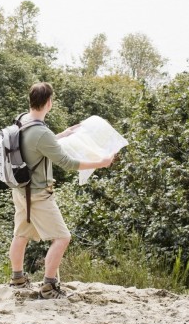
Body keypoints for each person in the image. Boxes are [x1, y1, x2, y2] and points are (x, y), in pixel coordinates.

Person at [8, 81, 116, 299]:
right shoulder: (41, 132)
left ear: (31, 100)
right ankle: (49, 286)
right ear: (49, 103)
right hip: (38, 194)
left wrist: (63, 134)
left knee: (21, 234)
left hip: (20, 191)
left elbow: (36, 145)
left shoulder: (22, 121)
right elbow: (67, 163)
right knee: (62, 237)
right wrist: (101, 163)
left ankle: (18, 278)